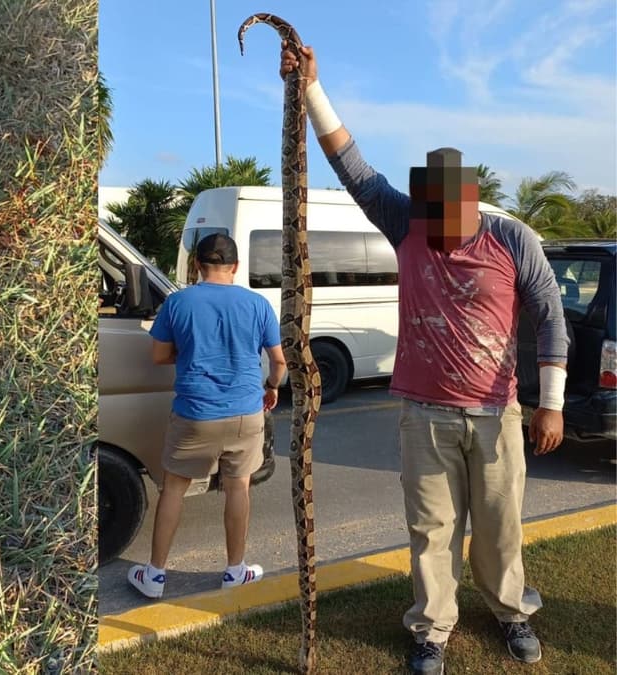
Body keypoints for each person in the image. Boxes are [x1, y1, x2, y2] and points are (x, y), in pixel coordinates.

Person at [280, 44, 568, 674]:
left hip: (496, 412)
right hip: (424, 413)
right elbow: (352, 165)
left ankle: (511, 612)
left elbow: (550, 316)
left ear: (471, 201)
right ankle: (432, 628)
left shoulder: (511, 239)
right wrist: (310, 90)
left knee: (500, 525)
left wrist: (551, 403)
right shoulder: (405, 221)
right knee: (432, 529)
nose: (437, 226)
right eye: (429, 212)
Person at [126, 233, 288, 599]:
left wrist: (188, 355)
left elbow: (159, 355)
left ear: (197, 265)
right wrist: (271, 387)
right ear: (236, 267)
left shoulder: (178, 302)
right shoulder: (257, 304)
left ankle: (154, 576)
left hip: (195, 413)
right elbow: (279, 362)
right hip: (246, 412)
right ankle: (235, 571)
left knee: (174, 488)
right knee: (238, 487)